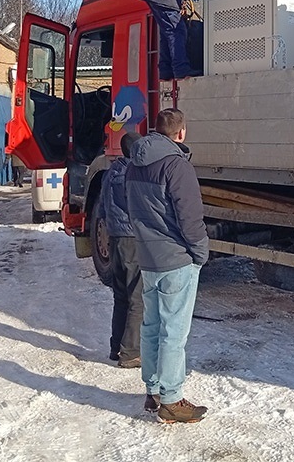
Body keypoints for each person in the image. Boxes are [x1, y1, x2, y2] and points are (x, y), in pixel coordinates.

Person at [125, 108, 209, 423]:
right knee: (174, 331)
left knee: (152, 326)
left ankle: (154, 391)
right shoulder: (177, 166)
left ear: (156, 130)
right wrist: (201, 252)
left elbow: (130, 208)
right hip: (176, 259)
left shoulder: (134, 164)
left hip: (147, 258)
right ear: (181, 133)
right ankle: (172, 400)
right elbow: (190, 219)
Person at [98, 131, 143, 368]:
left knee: (121, 296)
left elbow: (103, 208)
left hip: (114, 238)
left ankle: (116, 347)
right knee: (138, 297)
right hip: (131, 239)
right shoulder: (132, 174)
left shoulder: (111, 172)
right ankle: (131, 353)